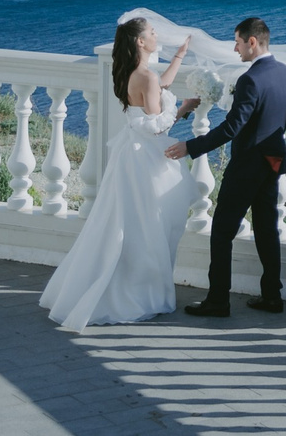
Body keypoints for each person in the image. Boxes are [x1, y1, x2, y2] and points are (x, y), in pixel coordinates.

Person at [38, 17, 203, 330]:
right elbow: (157, 126)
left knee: (128, 225)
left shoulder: (130, 72)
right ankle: (139, 294)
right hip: (148, 160)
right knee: (149, 228)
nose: (157, 35)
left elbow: (159, 87)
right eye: (152, 32)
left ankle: (128, 285)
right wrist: (182, 109)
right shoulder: (147, 77)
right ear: (140, 42)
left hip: (131, 156)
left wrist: (180, 55)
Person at [168, 15, 286, 316]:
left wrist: (191, 147)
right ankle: (272, 296)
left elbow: (231, 128)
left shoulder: (250, 80)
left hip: (248, 164)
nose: (235, 49)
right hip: (272, 160)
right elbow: (282, 118)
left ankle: (218, 300)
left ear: (252, 41)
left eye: (237, 42)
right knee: (267, 230)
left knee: (222, 231)